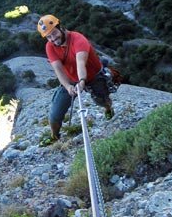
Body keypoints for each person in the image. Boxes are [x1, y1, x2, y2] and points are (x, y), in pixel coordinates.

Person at [37, 14, 114, 142]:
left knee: (102, 101)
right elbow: (58, 70)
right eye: (48, 37)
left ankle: (108, 109)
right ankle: (54, 136)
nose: (53, 38)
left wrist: (82, 81)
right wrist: (68, 86)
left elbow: (80, 63)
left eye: (54, 33)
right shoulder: (50, 47)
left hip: (92, 76)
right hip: (71, 79)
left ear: (60, 27)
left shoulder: (78, 39)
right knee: (55, 114)